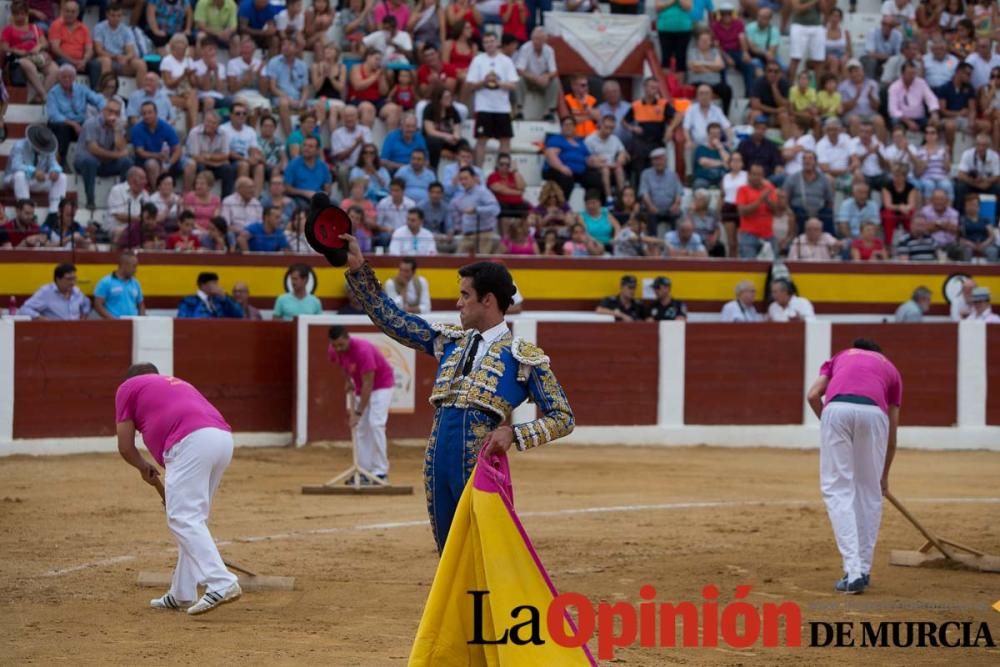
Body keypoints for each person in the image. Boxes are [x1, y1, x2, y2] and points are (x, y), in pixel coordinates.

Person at [340, 234, 573, 553]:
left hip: (478, 467)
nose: (458, 303)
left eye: (465, 295)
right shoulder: (450, 342)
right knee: (448, 551)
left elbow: (563, 417)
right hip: (436, 462)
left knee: (483, 549)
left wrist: (514, 434)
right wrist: (358, 268)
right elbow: (394, 321)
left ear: (487, 300)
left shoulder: (523, 357)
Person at [114, 363, 242, 615]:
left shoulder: (127, 387)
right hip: (222, 440)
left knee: (183, 518)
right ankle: (182, 592)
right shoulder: (174, 383)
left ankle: (221, 581)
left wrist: (141, 466)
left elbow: (125, 446)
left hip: (190, 442)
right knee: (192, 520)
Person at [806, 339, 902, 595]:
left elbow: (813, 395)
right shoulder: (890, 369)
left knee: (838, 490)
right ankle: (864, 569)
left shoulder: (840, 357)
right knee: (868, 494)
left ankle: (853, 571)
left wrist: (829, 424)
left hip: (836, 409)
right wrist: (883, 476)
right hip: (875, 415)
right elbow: (892, 435)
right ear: (878, 354)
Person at [328, 326, 396, 482]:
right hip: (360, 386)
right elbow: (341, 364)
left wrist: (358, 413)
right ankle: (364, 471)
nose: (338, 349)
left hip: (382, 385)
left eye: (341, 345)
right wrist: (348, 380)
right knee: (361, 429)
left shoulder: (363, 350)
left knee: (375, 424)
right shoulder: (333, 350)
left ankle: (380, 472)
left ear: (347, 338)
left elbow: (368, 384)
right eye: (335, 345)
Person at [2, 125, 66, 211]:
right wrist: (34, 171)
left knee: (62, 177)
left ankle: (54, 212)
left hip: (37, 180)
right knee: (19, 175)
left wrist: (54, 171)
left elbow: (53, 163)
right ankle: (26, 209)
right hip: (14, 179)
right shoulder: (19, 146)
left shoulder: (48, 147)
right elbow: (15, 166)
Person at [18, 263, 91, 320]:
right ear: (58, 279)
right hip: (55, 332)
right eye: (69, 279)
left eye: (74, 279)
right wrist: (43, 320)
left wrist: (83, 318)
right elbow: (24, 309)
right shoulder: (46, 292)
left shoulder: (77, 292)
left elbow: (86, 303)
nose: (72, 282)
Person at [93, 251, 144, 319]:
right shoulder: (106, 282)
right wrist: (113, 321)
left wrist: (142, 320)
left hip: (133, 324)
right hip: (114, 325)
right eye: (133, 266)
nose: (135, 270)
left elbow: (141, 305)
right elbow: (98, 305)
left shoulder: (135, 283)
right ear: (124, 265)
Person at [177, 272, 243, 318]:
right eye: (214, 283)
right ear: (203, 285)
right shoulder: (188, 301)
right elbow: (183, 320)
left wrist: (225, 298)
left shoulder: (220, 300)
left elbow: (239, 314)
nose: (217, 286)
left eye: (216, 283)